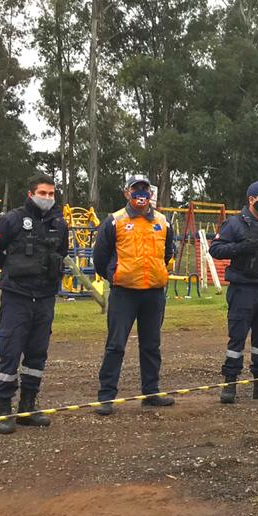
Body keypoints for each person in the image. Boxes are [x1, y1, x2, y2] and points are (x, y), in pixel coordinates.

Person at [0, 174, 69, 434]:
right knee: (10, 352)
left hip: (44, 299)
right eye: (43, 193)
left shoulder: (59, 224)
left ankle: (28, 407)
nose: (48, 198)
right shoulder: (12, 220)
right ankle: (3, 409)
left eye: (52, 194)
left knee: (37, 354)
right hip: (16, 297)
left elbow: (61, 253)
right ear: (31, 194)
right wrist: (13, 269)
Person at [91, 175, 176, 416]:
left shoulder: (162, 221)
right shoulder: (114, 221)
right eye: (135, 189)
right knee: (115, 345)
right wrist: (115, 275)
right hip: (124, 294)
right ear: (127, 193)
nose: (140, 193)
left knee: (151, 345)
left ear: (150, 193)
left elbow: (169, 252)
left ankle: (151, 393)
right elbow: (100, 257)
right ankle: (106, 396)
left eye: (144, 189)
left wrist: (160, 272)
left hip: (153, 293)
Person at [208, 182, 258, 403]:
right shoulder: (234, 223)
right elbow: (215, 249)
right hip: (243, 288)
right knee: (237, 337)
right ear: (252, 199)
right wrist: (239, 248)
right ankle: (230, 384)